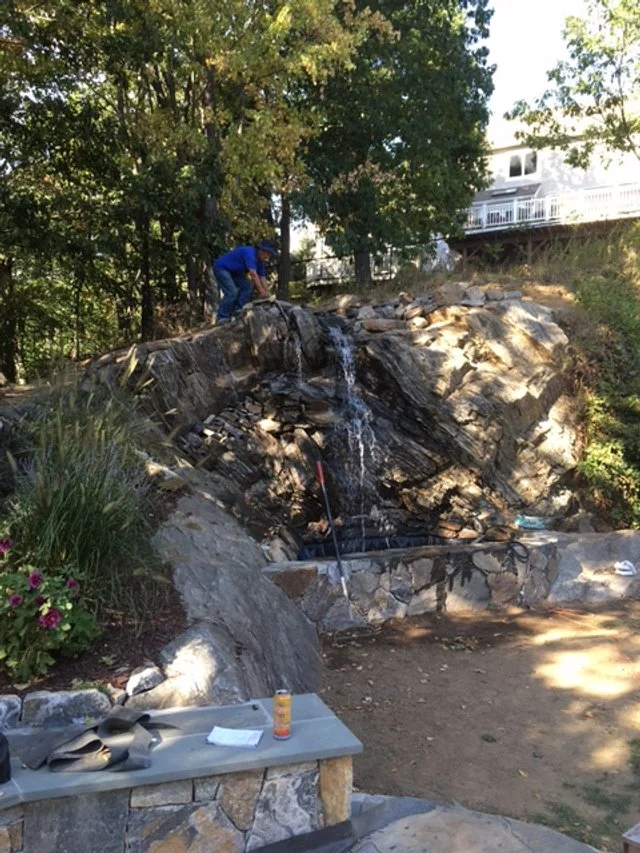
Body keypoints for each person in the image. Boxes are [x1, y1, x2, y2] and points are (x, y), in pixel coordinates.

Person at [213, 240, 278, 324]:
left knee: (248, 285)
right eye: (268, 254)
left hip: (234, 273)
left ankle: (237, 311)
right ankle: (221, 317)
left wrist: (267, 293)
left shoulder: (260, 262)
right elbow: (253, 275)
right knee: (232, 292)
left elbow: (262, 277)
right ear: (261, 251)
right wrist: (261, 291)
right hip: (222, 268)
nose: (268, 257)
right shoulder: (249, 253)